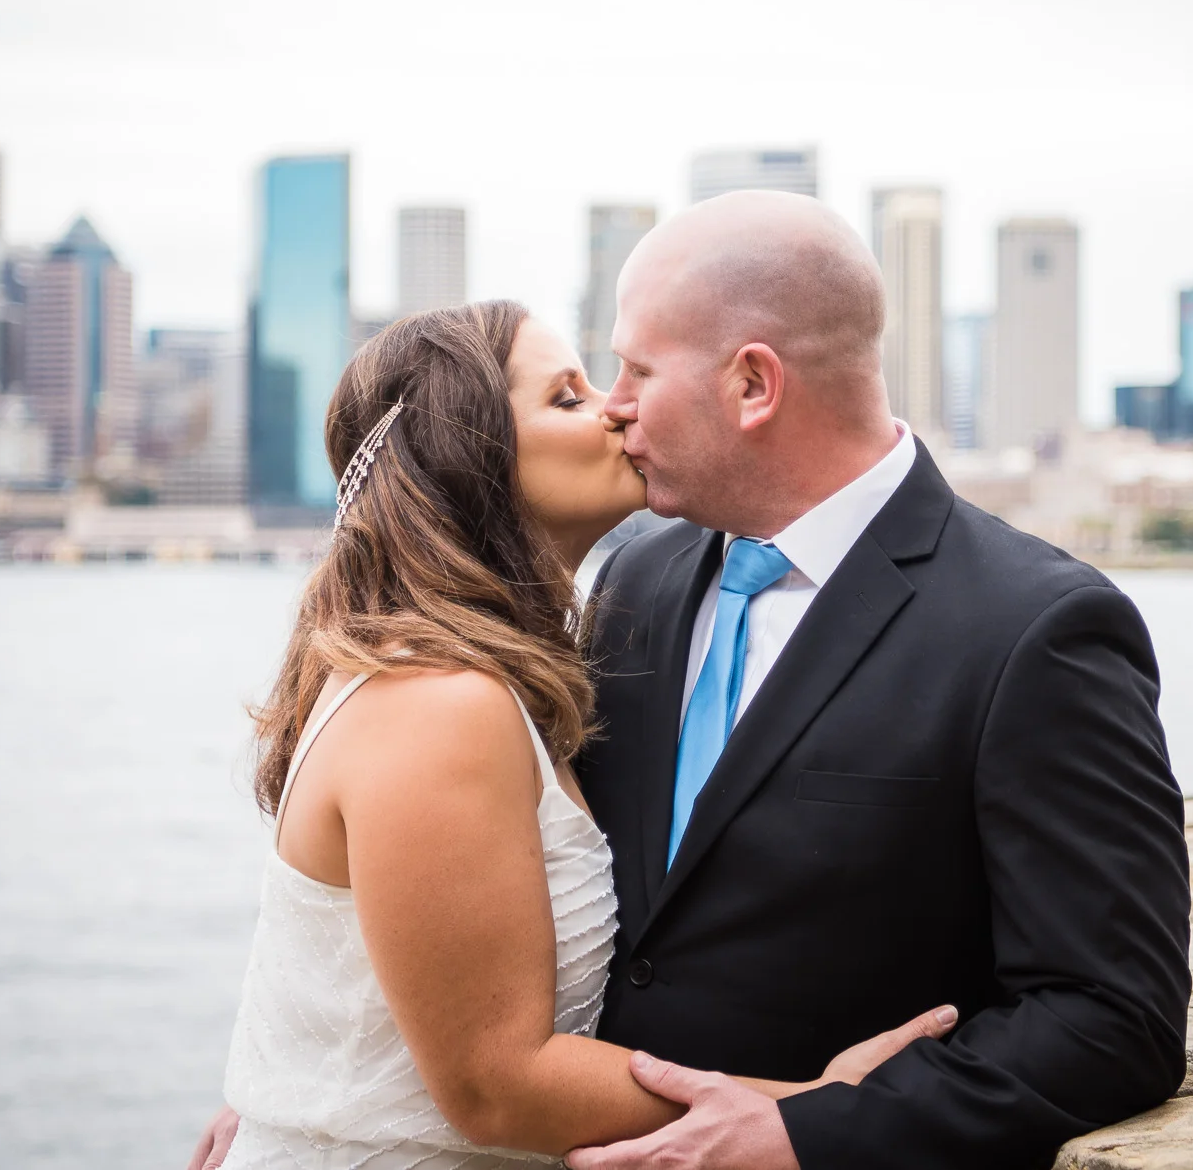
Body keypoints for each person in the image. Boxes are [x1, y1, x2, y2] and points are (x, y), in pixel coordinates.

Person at [190, 300, 954, 1170]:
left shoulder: (505, 670)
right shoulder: (441, 700)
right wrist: (823, 1107)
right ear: (467, 456)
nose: (616, 409)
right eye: (567, 396)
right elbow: (494, 1085)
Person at [564, 190, 1192, 1170]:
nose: (613, 403)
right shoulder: (634, 580)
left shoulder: (1037, 630)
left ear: (752, 384)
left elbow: (1113, 1017)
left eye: (637, 369)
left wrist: (802, 1132)